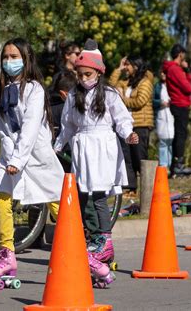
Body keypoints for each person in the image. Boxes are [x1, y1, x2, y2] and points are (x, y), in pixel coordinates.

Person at [0, 38, 64, 283]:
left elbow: (30, 129)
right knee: (1, 201)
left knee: (57, 205)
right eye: (5, 57)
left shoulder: (34, 90)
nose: (9, 62)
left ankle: (79, 252)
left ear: (26, 60)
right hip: (10, 156)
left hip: (36, 156)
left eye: (14, 57)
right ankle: (7, 255)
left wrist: (19, 160)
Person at [54, 39, 138, 285]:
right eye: (79, 74)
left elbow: (122, 119)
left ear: (99, 72)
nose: (83, 79)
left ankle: (104, 240)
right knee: (80, 195)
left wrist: (128, 134)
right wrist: (57, 146)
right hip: (82, 148)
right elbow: (68, 125)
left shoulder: (109, 94)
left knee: (99, 196)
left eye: (87, 74)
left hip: (102, 147)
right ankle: (88, 239)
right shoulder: (73, 96)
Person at [109, 56, 154, 192]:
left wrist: (123, 99)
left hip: (140, 124)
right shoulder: (127, 82)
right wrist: (119, 69)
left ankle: (148, 190)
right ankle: (131, 188)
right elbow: (111, 87)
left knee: (139, 158)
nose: (126, 68)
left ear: (136, 66)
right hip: (127, 126)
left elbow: (140, 101)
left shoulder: (146, 82)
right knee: (127, 157)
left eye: (128, 65)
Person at [163, 44, 191, 177]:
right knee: (181, 135)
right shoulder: (175, 69)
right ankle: (178, 165)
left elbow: (188, 83)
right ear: (180, 54)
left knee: (180, 134)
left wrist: (186, 71)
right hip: (180, 104)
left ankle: (175, 165)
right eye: (184, 54)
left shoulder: (175, 69)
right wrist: (186, 71)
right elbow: (188, 88)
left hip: (179, 104)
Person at [153, 71, 174, 168]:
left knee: (171, 140)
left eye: (164, 74)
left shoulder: (173, 86)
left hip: (171, 114)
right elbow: (152, 100)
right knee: (163, 141)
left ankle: (171, 164)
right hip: (161, 115)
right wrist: (161, 102)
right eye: (161, 74)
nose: (162, 75)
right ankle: (163, 165)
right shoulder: (157, 86)